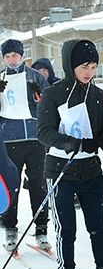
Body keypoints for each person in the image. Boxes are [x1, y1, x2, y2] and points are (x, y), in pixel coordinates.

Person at [37, 39, 103, 269]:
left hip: (91, 171)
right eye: (84, 66)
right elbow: (44, 133)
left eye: (94, 66)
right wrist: (70, 143)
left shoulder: (99, 96)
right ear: (71, 65)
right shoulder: (53, 94)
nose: (89, 72)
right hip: (61, 170)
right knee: (66, 229)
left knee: (98, 227)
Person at [0, 39, 50, 252]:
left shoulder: (34, 75)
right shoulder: (1, 77)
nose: (12, 60)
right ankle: (10, 228)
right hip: (10, 139)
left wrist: (38, 94)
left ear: (22, 55)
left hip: (36, 139)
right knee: (12, 185)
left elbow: (48, 106)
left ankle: (41, 229)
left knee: (38, 184)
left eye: (15, 55)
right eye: (8, 56)